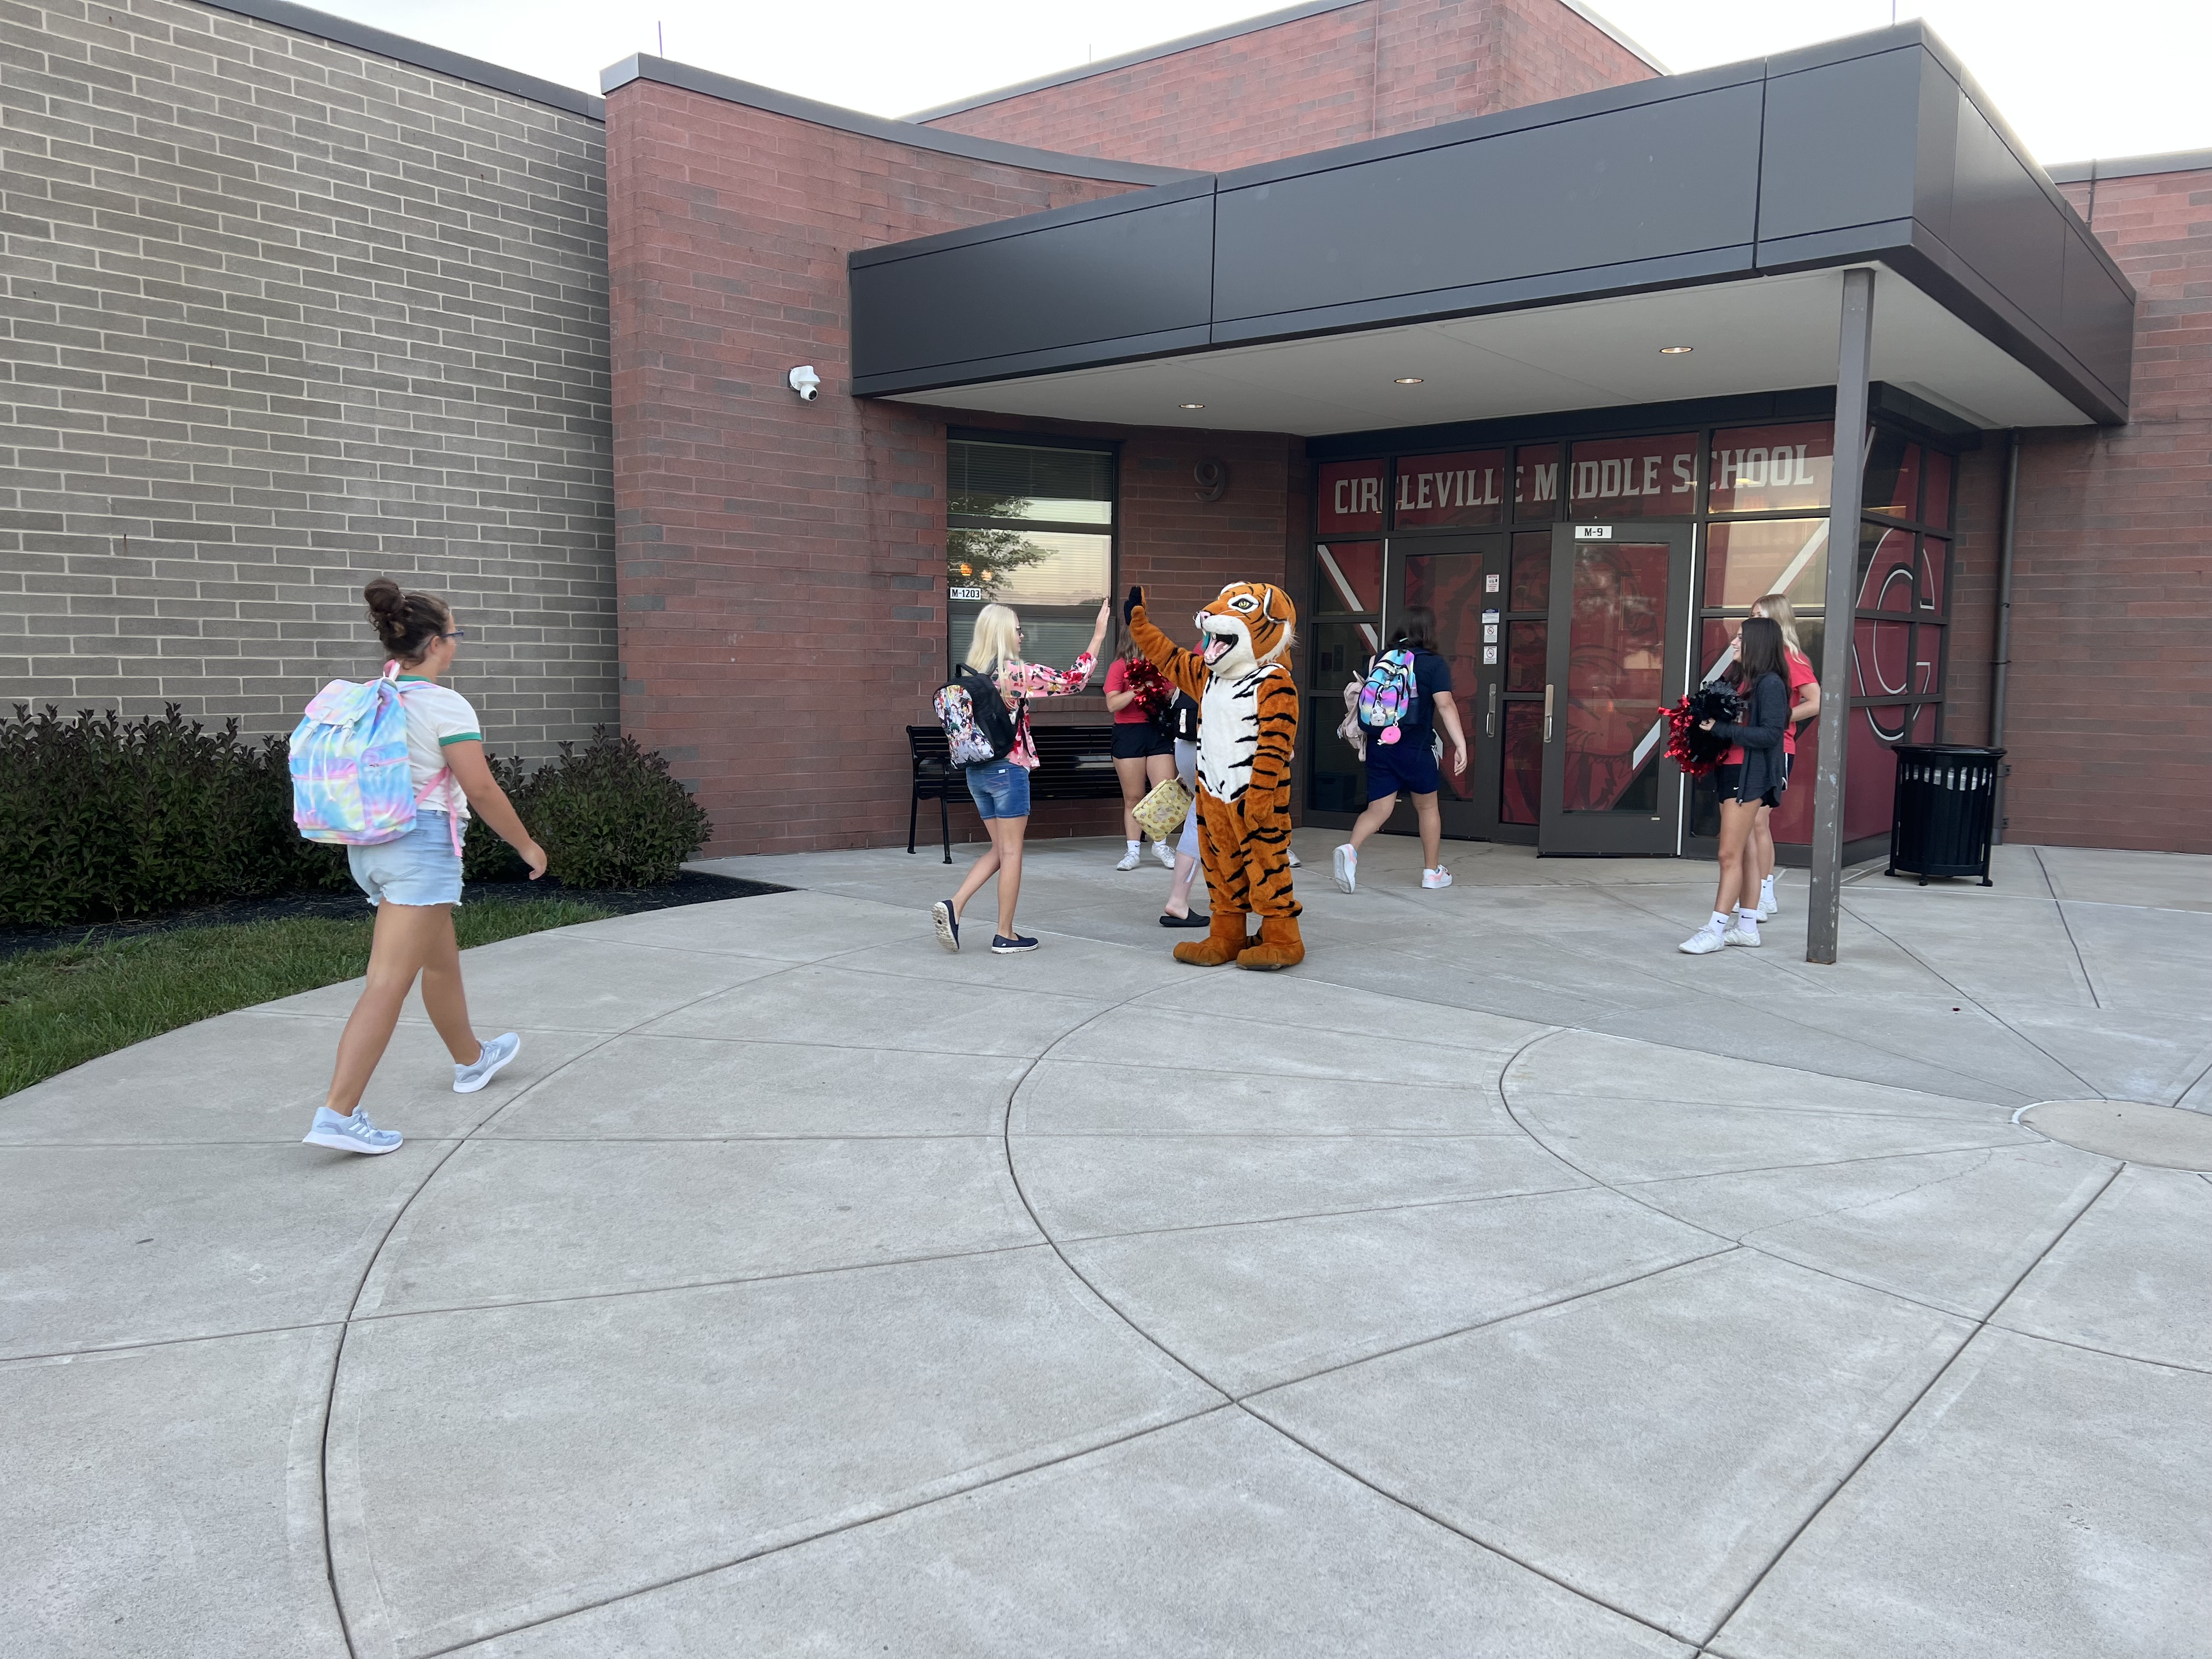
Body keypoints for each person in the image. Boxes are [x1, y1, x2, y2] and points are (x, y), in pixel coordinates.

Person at [302, 579, 548, 1156]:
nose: (456, 642)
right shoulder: (443, 704)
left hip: (370, 847)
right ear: (437, 643)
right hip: (421, 852)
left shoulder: (372, 696)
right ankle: (339, 1112)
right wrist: (527, 846)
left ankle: (471, 1059)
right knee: (388, 981)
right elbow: (481, 789)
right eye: (455, 633)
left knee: (441, 962)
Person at [932, 598, 1110, 956]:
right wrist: (1098, 635)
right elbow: (1073, 682)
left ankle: (954, 906)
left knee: (1000, 850)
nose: (1022, 635)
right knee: (1012, 852)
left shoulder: (972, 679)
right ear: (1002, 634)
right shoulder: (1013, 674)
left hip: (977, 776)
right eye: (1017, 629)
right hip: (1008, 774)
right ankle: (1005, 934)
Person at [1331, 607, 1470, 894]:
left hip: (1380, 746)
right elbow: (1445, 706)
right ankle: (1432, 873)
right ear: (1430, 631)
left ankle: (1351, 849)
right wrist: (1461, 743)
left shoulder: (1380, 660)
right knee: (1428, 806)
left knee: (1378, 808)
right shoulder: (1433, 664)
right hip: (1415, 747)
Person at [1680, 614, 1790, 955]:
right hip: (1731, 771)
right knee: (1742, 852)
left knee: (1728, 853)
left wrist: (1719, 729)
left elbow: (1771, 734)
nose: (1733, 643)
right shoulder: (1742, 679)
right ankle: (1746, 928)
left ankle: (1715, 929)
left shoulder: (1770, 684)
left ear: (1757, 643)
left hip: (1749, 776)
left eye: (1741, 638)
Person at [1746, 593, 1820, 919]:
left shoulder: (1791, 658)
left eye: (1759, 615)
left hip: (1777, 749)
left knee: (1758, 821)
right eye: (1751, 615)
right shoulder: (1754, 659)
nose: (1752, 621)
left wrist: (1780, 717)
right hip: (1752, 749)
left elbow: (1816, 702)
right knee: (1749, 823)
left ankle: (1764, 894)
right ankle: (1755, 892)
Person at [1103, 624, 1178, 870]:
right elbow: (1113, 704)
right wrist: (1138, 689)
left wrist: (1160, 688)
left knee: (1163, 793)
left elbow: (1172, 693)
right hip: (1129, 733)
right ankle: (1133, 851)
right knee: (1134, 797)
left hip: (1157, 730)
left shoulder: (1160, 665)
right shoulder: (1119, 666)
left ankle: (1161, 845)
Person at [1160, 689, 1208, 929]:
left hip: (1185, 749)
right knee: (1202, 822)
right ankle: (1177, 901)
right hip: (1208, 751)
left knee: (1199, 818)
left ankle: (1178, 900)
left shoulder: (1192, 674)